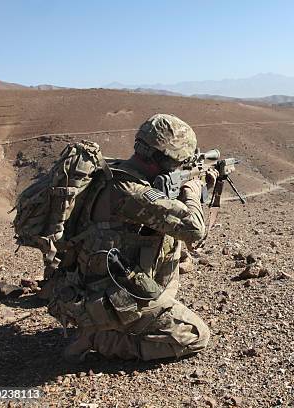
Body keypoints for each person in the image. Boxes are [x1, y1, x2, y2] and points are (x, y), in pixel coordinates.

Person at [47, 113, 216, 362]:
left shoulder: (114, 173)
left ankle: (142, 314)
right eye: (178, 163)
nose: (179, 169)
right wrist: (193, 189)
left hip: (91, 282)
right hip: (109, 297)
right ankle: (99, 337)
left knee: (167, 242)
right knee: (195, 336)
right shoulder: (132, 192)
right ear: (160, 158)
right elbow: (194, 230)